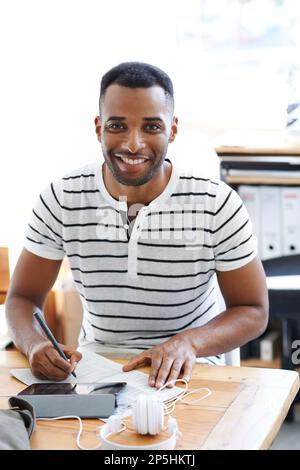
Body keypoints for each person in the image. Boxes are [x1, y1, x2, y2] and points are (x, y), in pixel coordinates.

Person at [5, 62, 268, 388]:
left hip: (191, 370)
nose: (133, 144)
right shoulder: (62, 198)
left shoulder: (217, 204)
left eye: (151, 127)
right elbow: (22, 299)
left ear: (172, 130)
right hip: (97, 369)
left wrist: (189, 342)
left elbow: (253, 310)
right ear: (99, 127)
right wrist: (35, 344)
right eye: (117, 126)